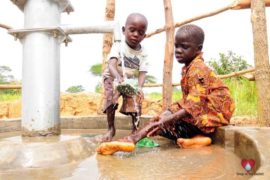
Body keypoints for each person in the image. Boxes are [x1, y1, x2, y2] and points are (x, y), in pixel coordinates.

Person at [97, 24, 235, 155]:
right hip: (201, 115)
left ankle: (131, 140)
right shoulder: (189, 67)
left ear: (198, 49)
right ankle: (199, 139)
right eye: (176, 46)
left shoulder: (198, 70)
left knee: (162, 123)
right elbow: (188, 104)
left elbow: (193, 106)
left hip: (213, 115)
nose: (178, 51)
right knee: (160, 123)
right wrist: (162, 118)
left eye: (184, 47)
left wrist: (164, 120)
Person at [101, 13, 149, 142]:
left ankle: (135, 129)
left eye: (140, 32)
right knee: (111, 100)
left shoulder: (143, 52)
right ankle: (111, 129)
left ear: (144, 36)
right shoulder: (118, 45)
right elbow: (111, 64)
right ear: (123, 30)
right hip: (112, 77)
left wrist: (139, 87)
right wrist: (117, 77)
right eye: (132, 30)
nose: (135, 34)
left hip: (129, 81)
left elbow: (143, 72)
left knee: (136, 101)